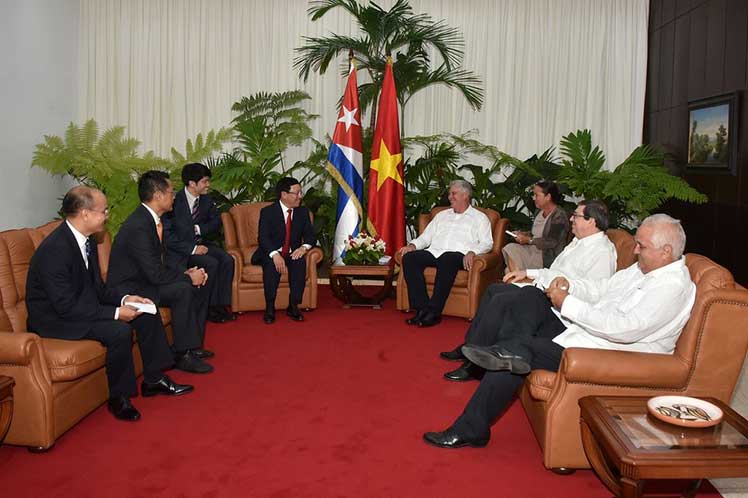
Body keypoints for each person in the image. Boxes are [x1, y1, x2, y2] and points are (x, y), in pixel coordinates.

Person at [423, 214, 696, 448]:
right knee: (530, 297)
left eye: (642, 246)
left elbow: (622, 329)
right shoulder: (645, 269)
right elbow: (603, 288)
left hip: (605, 350)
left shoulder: (671, 287)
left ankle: (472, 427)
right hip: (586, 331)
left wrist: (569, 303)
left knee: (517, 353)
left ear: (666, 251)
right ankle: (504, 349)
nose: (635, 251)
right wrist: (568, 287)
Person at [26, 186, 193, 422]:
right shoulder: (55, 250)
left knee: (144, 309)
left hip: (78, 307)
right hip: (55, 321)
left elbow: (97, 289)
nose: (107, 215)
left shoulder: (88, 240)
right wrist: (115, 313)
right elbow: (65, 306)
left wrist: (126, 299)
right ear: (85, 213)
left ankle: (154, 379)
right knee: (118, 330)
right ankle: (119, 397)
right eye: (104, 211)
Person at [441, 200, 617, 381]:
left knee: (502, 299)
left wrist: (566, 287)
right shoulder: (578, 242)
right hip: (546, 293)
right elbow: (554, 271)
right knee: (494, 289)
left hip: (561, 311)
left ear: (592, 221)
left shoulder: (602, 252)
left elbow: (596, 294)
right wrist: (526, 272)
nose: (571, 218)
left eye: (576, 216)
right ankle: (470, 346)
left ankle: (474, 367)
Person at [107, 170, 214, 374]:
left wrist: (187, 271)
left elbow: (162, 260)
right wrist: (187, 277)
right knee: (183, 289)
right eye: (171, 192)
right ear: (158, 195)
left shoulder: (153, 220)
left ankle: (189, 346)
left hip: (145, 279)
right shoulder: (139, 225)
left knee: (193, 282)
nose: (174, 196)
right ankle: (183, 354)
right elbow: (154, 273)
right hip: (130, 288)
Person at [397, 179, 493, 327]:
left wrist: (473, 252)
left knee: (448, 258)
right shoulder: (441, 215)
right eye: (450, 194)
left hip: (458, 255)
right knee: (410, 258)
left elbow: (487, 243)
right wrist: (412, 245)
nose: (450, 197)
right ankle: (422, 309)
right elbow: (426, 237)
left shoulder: (479, 218)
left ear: (465, 195)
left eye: (453, 193)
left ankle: (434, 312)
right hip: (435, 252)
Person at [163, 162, 236, 323]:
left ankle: (220, 305)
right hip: (182, 250)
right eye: (204, 181)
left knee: (227, 260)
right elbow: (168, 236)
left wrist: (198, 229)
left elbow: (216, 221)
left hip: (202, 243)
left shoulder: (207, 200)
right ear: (191, 183)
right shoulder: (173, 202)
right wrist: (192, 248)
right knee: (211, 263)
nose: (208, 185)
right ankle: (207, 307)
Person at [252, 177, 316, 324]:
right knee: (271, 265)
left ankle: (293, 306)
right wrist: (275, 255)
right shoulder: (268, 212)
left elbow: (310, 236)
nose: (300, 196)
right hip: (272, 251)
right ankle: (269, 307)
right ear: (284, 194)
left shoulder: (302, 212)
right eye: (297, 193)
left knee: (299, 262)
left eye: (301, 192)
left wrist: (303, 248)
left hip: (292, 251)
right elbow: (263, 238)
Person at [502, 180, 569, 272]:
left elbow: (552, 242)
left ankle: (517, 280)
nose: (533, 198)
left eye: (537, 195)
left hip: (545, 256)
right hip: (532, 250)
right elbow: (535, 233)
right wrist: (523, 234)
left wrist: (529, 240)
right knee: (509, 263)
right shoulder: (538, 212)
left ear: (548, 197)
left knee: (510, 255)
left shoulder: (559, 216)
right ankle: (518, 281)